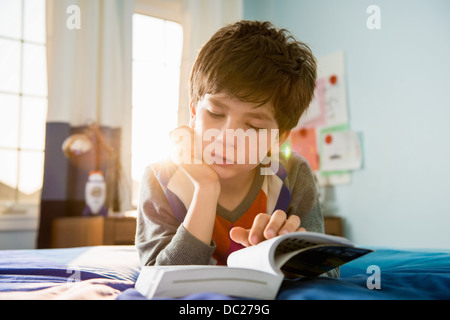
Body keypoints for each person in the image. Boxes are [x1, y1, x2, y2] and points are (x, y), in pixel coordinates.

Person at [136, 21, 337, 277]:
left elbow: (327, 274)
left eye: (253, 126)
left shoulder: (293, 173)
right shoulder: (160, 177)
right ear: (194, 112)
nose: (226, 138)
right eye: (216, 113)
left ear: (279, 138)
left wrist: (283, 259)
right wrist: (205, 189)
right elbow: (160, 278)